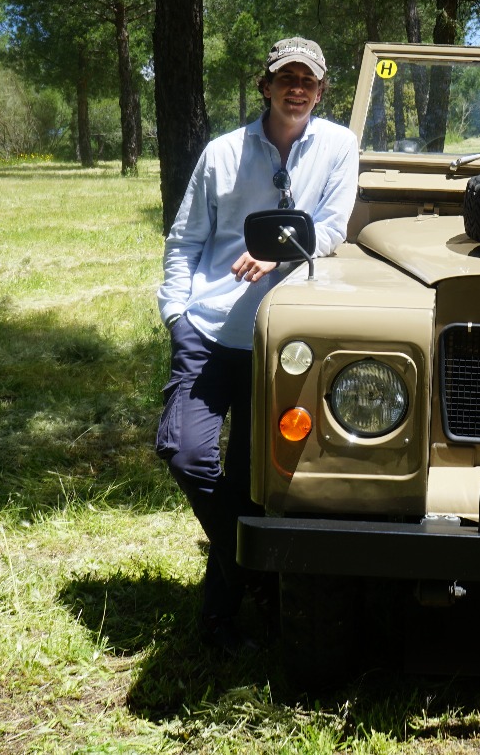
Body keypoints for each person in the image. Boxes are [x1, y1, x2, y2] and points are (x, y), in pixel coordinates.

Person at [156, 36, 359, 647]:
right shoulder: (222, 153)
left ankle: (220, 620)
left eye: (308, 81)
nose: (297, 89)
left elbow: (332, 226)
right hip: (211, 327)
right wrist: (176, 314)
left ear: (321, 91)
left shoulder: (339, 146)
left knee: (255, 480)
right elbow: (185, 239)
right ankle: (258, 567)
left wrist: (277, 255)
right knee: (185, 451)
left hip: (285, 336)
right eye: (285, 78)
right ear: (264, 85)